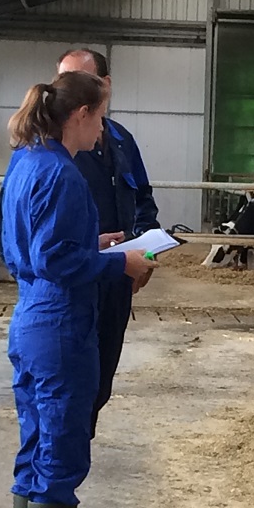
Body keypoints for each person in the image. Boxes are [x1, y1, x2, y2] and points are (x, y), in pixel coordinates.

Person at [0, 70, 156, 508]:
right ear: (82, 115)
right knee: (61, 450)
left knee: (35, 445)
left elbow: (23, 246)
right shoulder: (63, 173)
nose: (103, 131)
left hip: (32, 316)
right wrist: (120, 263)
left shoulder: (26, 161)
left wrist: (93, 242)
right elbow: (56, 259)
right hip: (62, 322)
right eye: (101, 118)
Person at [56, 48, 160, 441]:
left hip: (117, 280)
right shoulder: (55, 152)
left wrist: (145, 252)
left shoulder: (119, 139)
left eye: (81, 81)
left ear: (105, 87)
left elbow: (143, 200)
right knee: (70, 390)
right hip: (77, 284)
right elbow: (43, 250)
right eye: (63, 82)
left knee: (100, 381)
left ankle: (79, 451)